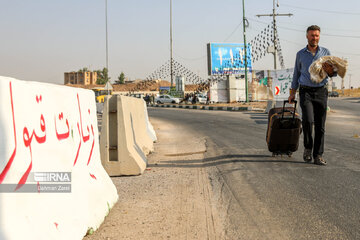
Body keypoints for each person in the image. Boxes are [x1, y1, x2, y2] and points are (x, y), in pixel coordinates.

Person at [288, 25, 336, 166]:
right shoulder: (300, 54)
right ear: (307, 36)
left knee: (320, 125)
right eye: (312, 35)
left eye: (316, 35)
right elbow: (296, 74)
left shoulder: (326, 52)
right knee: (308, 121)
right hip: (306, 92)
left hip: (321, 91)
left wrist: (332, 71)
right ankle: (308, 148)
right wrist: (292, 93)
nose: (314, 38)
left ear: (319, 36)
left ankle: (318, 155)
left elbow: (333, 72)